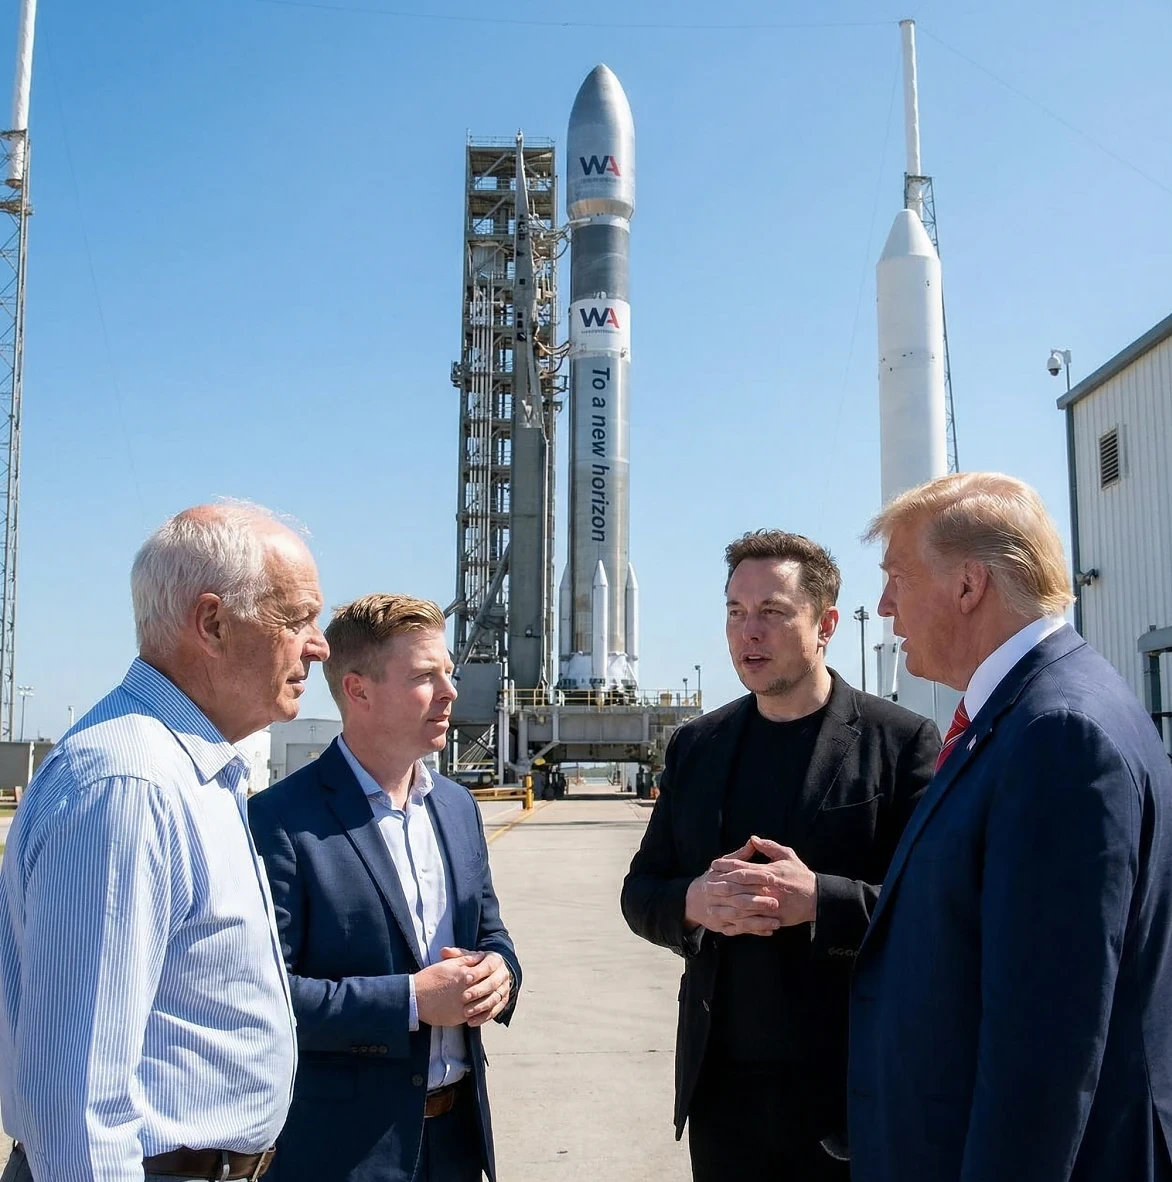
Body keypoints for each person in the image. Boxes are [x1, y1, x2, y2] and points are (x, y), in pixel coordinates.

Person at [849, 472, 1172, 1182]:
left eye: (898, 577)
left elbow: (1044, 1050)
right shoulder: (1025, 713)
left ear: (969, 585)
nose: (885, 605)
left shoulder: (1059, 734)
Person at [0, 502, 329, 1182]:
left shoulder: (190, 770)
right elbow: (77, 1109)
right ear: (212, 624)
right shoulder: (131, 784)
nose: (317, 645)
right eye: (297, 618)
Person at [621, 530, 940, 1181]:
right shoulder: (697, 747)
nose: (749, 632)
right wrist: (694, 902)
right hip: (724, 1099)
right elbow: (641, 892)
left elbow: (937, 910)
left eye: (772, 611)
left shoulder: (900, 743)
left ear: (826, 625)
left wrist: (819, 900)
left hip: (849, 1095)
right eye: (736, 612)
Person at [248, 594, 520, 1182]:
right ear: (358, 690)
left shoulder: (457, 808)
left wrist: (500, 974)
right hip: (347, 1155)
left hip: (457, 1143)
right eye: (424, 676)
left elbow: (492, 934)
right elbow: (261, 997)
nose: (450, 691)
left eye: (448, 672)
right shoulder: (281, 821)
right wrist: (411, 1001)